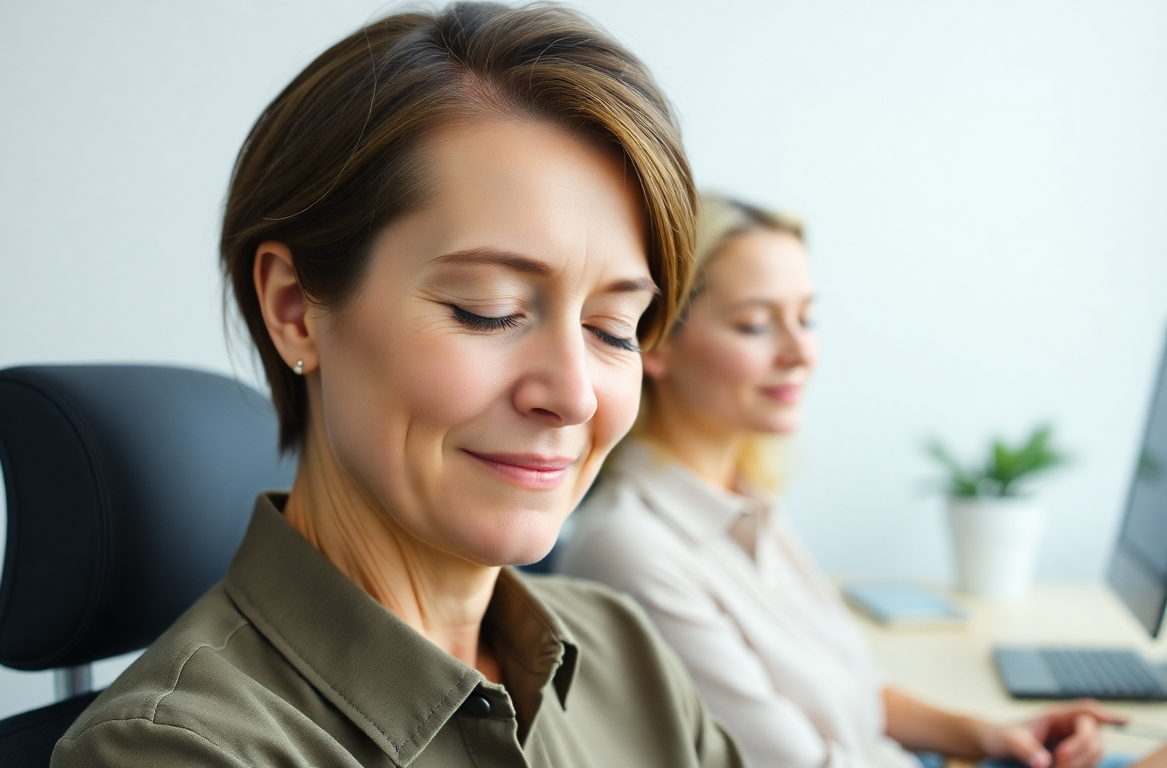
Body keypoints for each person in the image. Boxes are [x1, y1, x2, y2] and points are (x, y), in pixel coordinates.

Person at [52, 5, 742, 767]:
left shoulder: (623, 651)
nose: (575, 396)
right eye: (490, 312)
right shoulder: (179, 749)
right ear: (295, 309)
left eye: (614, 328)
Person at [557, 192, 1125, 768]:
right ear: (652, 342)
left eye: (807, 318)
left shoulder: (745, 497)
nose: (802, 350)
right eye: (755, 324)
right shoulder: (629, 549)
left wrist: (989, 737)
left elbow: (854, 687)